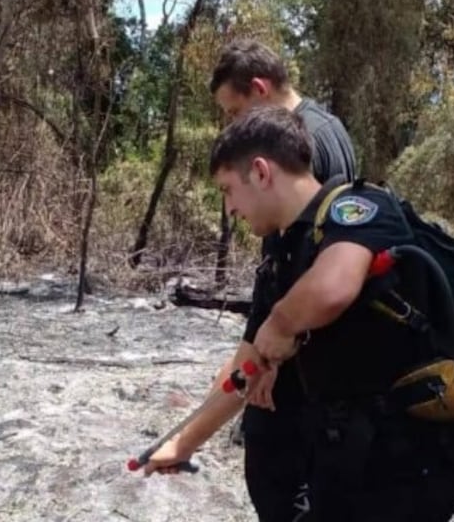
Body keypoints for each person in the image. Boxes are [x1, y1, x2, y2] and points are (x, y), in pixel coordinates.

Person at [210, 105, 454, 521]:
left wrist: (281, 324)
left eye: (228, 189)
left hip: (410, 463)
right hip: (352, 459)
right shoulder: (288, 247)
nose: (229, 208)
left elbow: (334, 286)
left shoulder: (358, 205)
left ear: (261, 172)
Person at [142, 40, 356, 522]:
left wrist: (281, 345)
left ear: (259, 89)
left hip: (296, 365)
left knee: (281, 478)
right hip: (290, 347)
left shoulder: (305, 142)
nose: (232, 127)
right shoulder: (327, 129)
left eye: (234, 112)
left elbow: (321, 268)